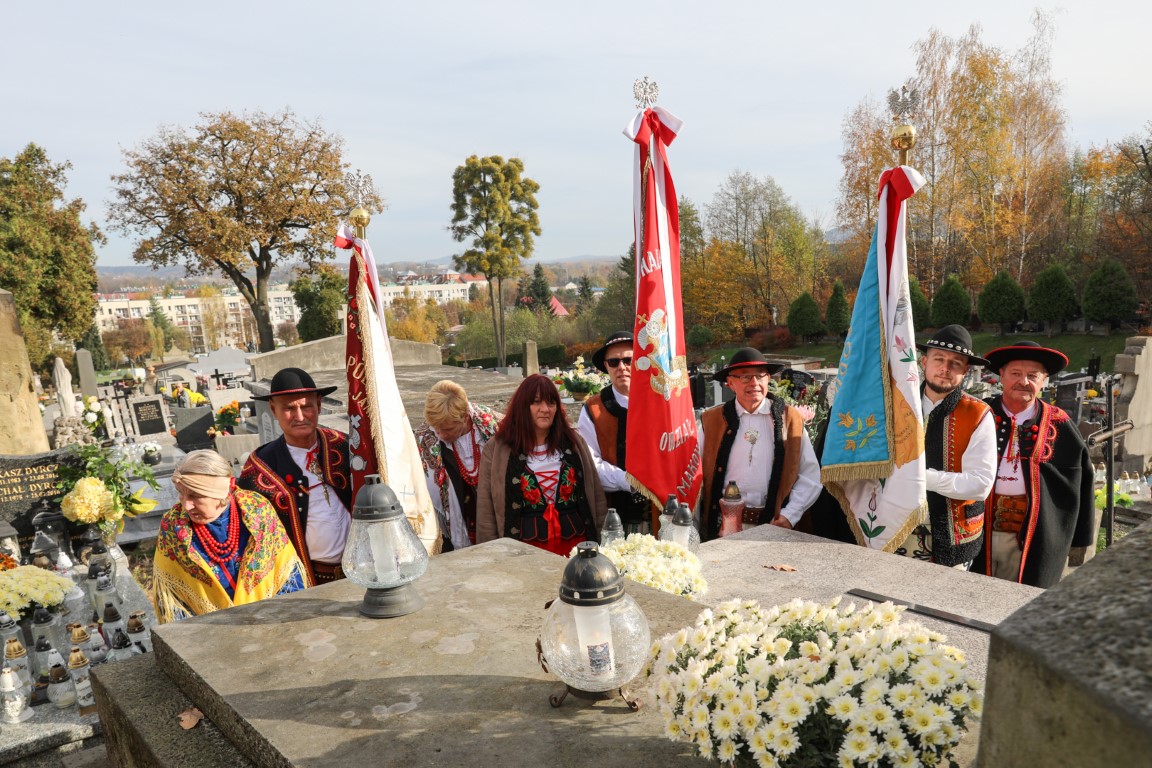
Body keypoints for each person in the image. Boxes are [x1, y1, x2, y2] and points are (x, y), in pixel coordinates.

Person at [972, 341, 1095, 587]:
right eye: (1016, 373)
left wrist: (1080, 538)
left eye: (1033, 376)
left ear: (1044, 381)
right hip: (977, 531)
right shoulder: (977, 413)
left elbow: (1080, 479)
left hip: (1033, 538)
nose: (1024, 381)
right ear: (1001, 375)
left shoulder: (1060, 423)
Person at [153, 450, 309, 623]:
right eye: (181, 494)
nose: (186, 505)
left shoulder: (257, 511)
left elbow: (286, 575)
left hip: (272, 620)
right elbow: (174, 602)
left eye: (195, 496)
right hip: (209, 629)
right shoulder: (173, 526)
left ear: (223, 490)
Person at [239, 368, 353, 585]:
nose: (299, 417)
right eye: (289, 408)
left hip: (362, 570)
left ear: (318, 404)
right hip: (306, 582)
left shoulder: (344, 445)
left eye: (306, 406)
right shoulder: (259, 468)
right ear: (273, 409)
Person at [897, 325, 996, 568]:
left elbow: (980, 484)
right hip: (896, 527)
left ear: (966, 371)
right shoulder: (898, 405)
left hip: (953, 536)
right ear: (924, 362)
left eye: (956, 363)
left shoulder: (978, 414)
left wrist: (919, 477)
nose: (945, 368)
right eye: (938, 359)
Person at [476, 374, 608, 554]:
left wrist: (604, 544)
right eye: (536, 402)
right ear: (523, 406)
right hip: (524, 552)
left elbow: (597, 497)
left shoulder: (575, 443)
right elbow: (486, 510)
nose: (545, 409)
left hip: (576, 547)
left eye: (551, 403)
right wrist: (492, 556)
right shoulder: (497, 449)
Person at [699, 348, 821, 540]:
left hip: (776, 527)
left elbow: (810, 475)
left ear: (768, 379)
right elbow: (696, 476)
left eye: (760, 376)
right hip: (723, 526)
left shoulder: (790, 420)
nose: (754, 383)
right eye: (745, 377)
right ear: (730, 383)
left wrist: (789, 515)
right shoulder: (711, 421)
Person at [576, 331, 655, 534]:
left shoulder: (661, 403)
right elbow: (591, 465)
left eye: (628, 360)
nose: (622, 367)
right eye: (614, 362)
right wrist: (631, 482)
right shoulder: (593, 409)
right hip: (613, 517)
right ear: (606, 366)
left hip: (661, 513)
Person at [414, 380, 500, 552]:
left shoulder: (494, 427)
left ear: (465, 417)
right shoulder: (425, 439)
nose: (440, 434)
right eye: (436, 428)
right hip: (455, 530)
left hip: (493, 518)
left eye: (447, 429)